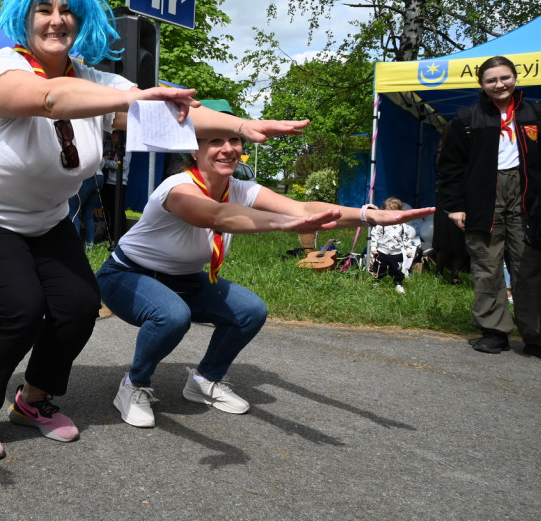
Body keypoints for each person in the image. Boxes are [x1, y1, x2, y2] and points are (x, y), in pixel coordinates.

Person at [0, 0, 310, 460]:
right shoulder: (2, 67)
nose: (56, 20)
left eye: (67, 11)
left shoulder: (96, 81)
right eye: (44, 10)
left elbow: (179, 117)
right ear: (25, 17)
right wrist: (130, 97)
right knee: (20, 308)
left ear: (81, 20)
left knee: (78, 306)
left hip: (43, 222)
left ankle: (34, 400)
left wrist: (243, 124)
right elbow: (48, 97)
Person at [97, 131, 435, 428]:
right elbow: (217, 216)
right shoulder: (178, 188)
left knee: (250, 310)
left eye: (234, 140)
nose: (228, 149)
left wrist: (371, 215)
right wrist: (277, 224)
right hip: (127, 275)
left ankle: (204, 380)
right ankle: (135, 385)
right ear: (194, 151)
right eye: (215, 141)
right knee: (172, 315)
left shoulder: (240, 188)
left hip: (185, 279)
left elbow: (302, 209)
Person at [438, 55, 541, 358]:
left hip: (527, 198)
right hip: (483, 198)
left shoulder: (535, 113)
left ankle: (537, 337)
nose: (499, 84)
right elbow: (451, 167)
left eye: (505, 78)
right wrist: (455, 206)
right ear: (482, 85)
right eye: (491, 80)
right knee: (487, 266)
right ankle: (494, 331)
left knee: (530, 267)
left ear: (515, 77)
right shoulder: (466, 119)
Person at [369, 197, 419, 293]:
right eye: (388, 212)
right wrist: (374, 248)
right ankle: (377, 281)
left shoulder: (403, 225)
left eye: (394, 212)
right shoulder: (381, 224)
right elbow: (375, 235)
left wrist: (408, 250)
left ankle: (398, 283)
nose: (391, 215)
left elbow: (406, 239)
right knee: (379, 268)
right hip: (382, 251)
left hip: (396, 253)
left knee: (397, 270)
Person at [101, 130, 131, 243]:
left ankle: (121, 236)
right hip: (107, 181)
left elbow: (122, 164)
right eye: (112, 134)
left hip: (119, 183)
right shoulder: (107, 146)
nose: (113, 136)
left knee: (117, 210)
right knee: (108, 209)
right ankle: (109, 235)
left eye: (116, 134)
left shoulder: (126, 148)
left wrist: (107, 162)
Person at [69, 167, 104, 248]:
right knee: (88, 214)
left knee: (72, 211)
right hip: (99, 176)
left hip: (87, 176)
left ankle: (74, 246)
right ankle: (89, 245)